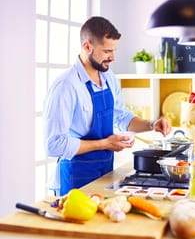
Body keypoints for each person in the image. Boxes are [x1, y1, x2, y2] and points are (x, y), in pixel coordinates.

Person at [43, 16, 171, 196]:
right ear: (87, 47)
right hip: (75, 176)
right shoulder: (66, 86)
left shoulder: (109, 77)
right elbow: (54, 145)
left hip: (104, 171)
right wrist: (104, 144)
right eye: (107, 51)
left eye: (114, 50)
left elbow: (121, 117)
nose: (113, 57)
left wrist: (152, 125)